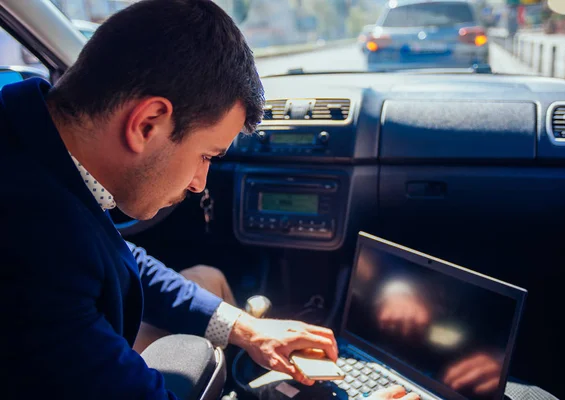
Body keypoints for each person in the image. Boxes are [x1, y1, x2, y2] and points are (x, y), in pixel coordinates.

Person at [0, 1, 414, 399]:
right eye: (207, 156)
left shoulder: (28, 144)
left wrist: (247, 329)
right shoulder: (37, 250)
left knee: (207, 275)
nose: (200, 183)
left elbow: (120, 253)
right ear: (147, 123)